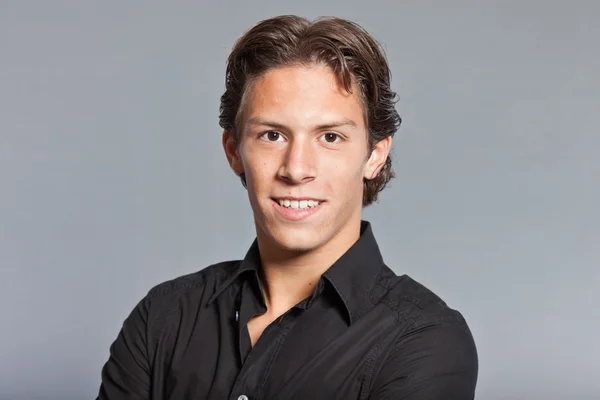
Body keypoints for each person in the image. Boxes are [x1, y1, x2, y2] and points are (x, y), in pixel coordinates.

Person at [97, 15, 478, 400]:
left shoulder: (426, 340)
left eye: (330, 137)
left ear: (374, 155)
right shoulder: (164, 317)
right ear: (234, 151)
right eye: (272, 135)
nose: (296, 169)